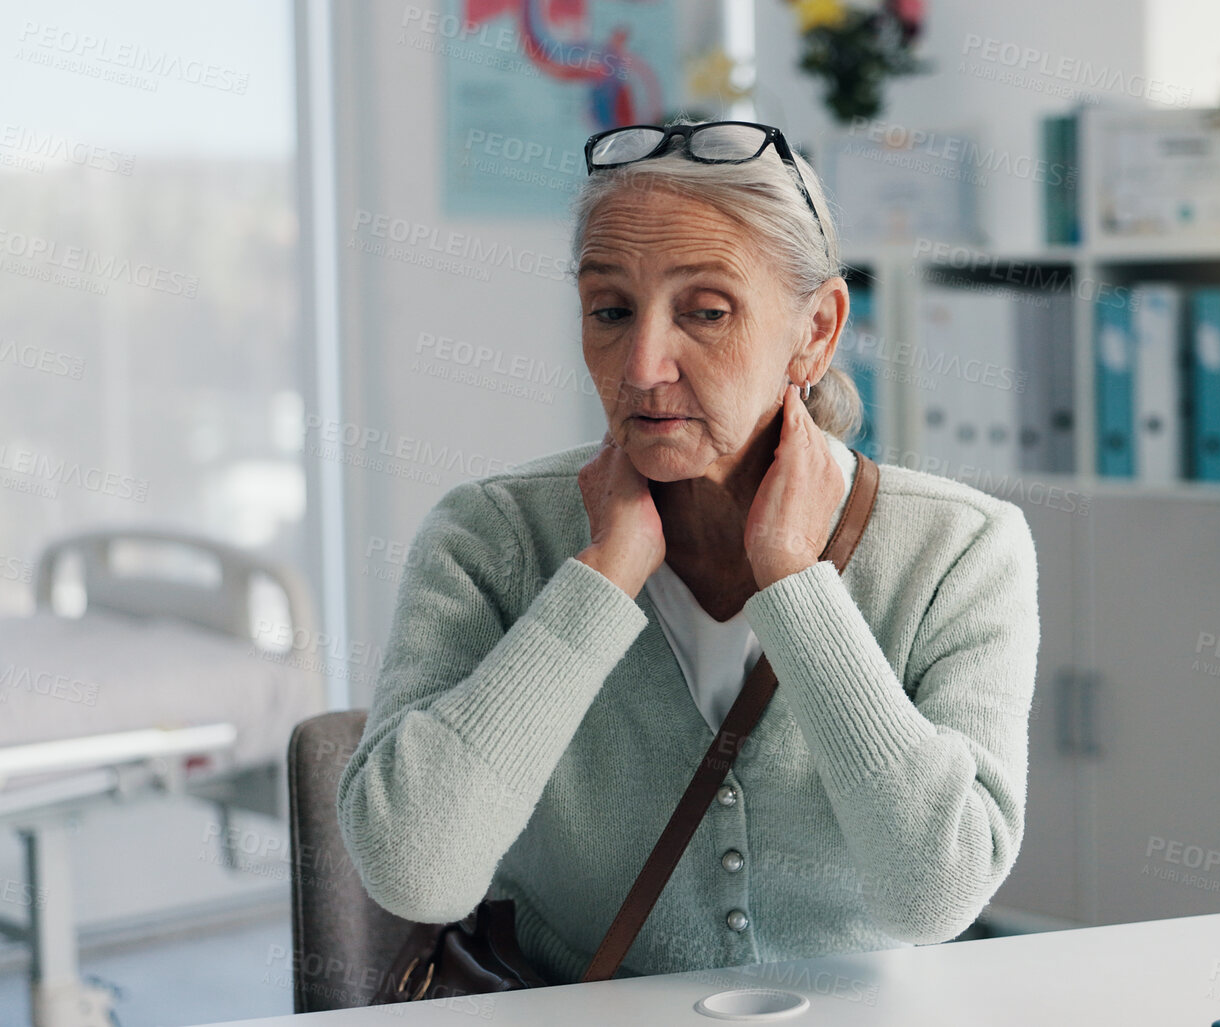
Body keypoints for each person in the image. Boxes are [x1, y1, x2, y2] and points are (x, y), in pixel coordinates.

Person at [337, 120, 1040, 984]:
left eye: (705, 310)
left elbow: (935, 895)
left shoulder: (962, 549)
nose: (641, 364)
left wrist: (795, 580)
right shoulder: (489, 536)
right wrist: (598, 584)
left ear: (817, 328)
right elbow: (414, 871)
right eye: (609, 310)